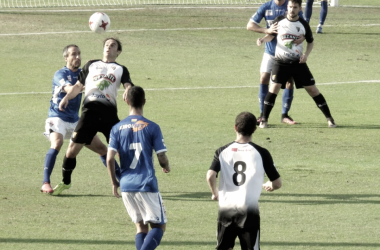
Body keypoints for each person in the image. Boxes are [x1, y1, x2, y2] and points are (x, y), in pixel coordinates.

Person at [52, 37, 133, 195]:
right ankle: (66, 182)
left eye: (113, 45)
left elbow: (128, 84)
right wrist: (66, 98)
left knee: (122, 151)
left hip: (109, 115)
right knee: (71, 151)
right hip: (89, 114)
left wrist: (128, 90)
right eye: (106, 45)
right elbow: (78, 86)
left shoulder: (121, 69)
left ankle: (129, 183)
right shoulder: (91, 65)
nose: (108, 47)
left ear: (118, 52)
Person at [41, 44, 118, 194]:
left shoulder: (85, 72)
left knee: (102, 149)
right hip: (58, 117)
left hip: (76, 120)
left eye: (79, 54)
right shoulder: (60, 74)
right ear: (66, 58)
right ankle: (45, 182)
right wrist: (82, 86)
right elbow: (71, 90)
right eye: (73, 54)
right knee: (57, 143)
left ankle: (121, 178)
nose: (77, 57)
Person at [107, 86, 171, 250]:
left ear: (126, 101)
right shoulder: (152, 127)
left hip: (127, 185)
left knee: (141, 227)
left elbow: (109, 158)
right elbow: (161, 156)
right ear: (144, 101)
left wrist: (115, 182)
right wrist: (166, 166)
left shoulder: (116, 128)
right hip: (146, 183)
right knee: (158, 227)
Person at [206, 111, 282, 250]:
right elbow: (277, 183)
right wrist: (270, 185)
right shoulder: (262, 153)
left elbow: (210, 175)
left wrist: (214, 192)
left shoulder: (222, 151)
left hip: (226, 210)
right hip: (249, 213)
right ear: (254, 129)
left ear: (235, 127)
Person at [257, 0, 336, 129]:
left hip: (298, 63)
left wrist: (306, 55)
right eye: (290, 7)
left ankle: (329, 119)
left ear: (300, 8)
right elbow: (271, 36)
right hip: (280, 62)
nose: (291, 10)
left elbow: (311, 42)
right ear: (287, 7)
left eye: (295, 7)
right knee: (274, 88)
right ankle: (264, 120)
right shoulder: (279, 20)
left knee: (313, 90)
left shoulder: (303, 24)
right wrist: (262, 39)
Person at [247, 0, 305, 125]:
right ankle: (263, 115)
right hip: (270, 51)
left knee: (289, 82)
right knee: (264, 78)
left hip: (287, 53)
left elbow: (305, 26)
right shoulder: (266, 7)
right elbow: (250, 25)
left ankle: (285, 115)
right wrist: (266, 30)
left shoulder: (291, 6)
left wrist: (304, 37)